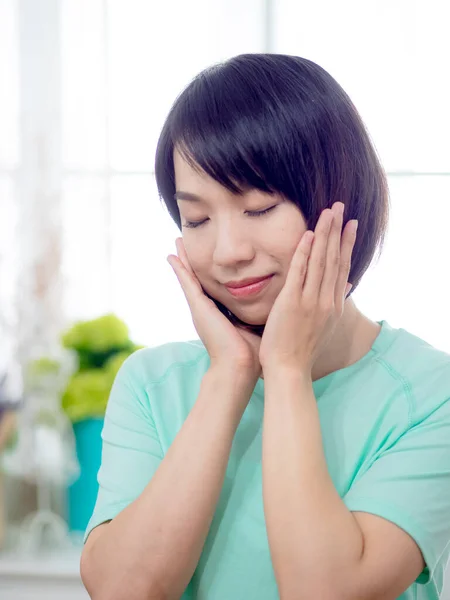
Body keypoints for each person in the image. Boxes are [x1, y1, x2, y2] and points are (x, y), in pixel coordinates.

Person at [80, 54, 450, 600]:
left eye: (258, 207)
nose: (228, 252)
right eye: (198, 219)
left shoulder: (429, 394)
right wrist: (229, 375)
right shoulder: (152, 384)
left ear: (340, 200)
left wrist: (286, 370)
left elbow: (324, 591)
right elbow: (124, 591)